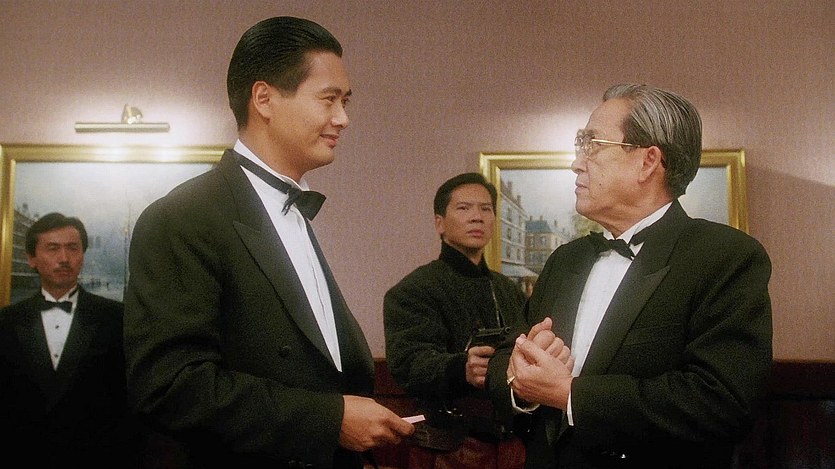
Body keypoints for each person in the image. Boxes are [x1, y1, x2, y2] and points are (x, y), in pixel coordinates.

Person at [122, 16, 413, 468]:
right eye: (329, 99)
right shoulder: (181, 217)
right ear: (264, 99)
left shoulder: (293, 213)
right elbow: (170, 387)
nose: (343, 118)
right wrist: (329, 420)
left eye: (345, 101)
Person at [488, 84, 773, 468]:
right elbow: (505, 359)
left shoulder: (725, 257)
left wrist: (569, 394)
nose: (576, 163)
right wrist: (520, 379)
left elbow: (722, 402)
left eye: (592, 144)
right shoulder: (565, 260)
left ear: (648, 161)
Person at [384, 172, 530, 469]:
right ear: (439, 222)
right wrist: (461, 368)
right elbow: (408, 365)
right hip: (447, 449)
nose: (477, 217)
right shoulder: (413, 290)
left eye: (485, 209)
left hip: (514, 446)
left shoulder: (509, 290)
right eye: (464, 208)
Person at [0, 212, 140, 467]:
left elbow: (129, 401)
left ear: (83, 255)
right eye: (53, 248)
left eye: (72, 248)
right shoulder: (5, 323)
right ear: (31, 258)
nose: (64, 258)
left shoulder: (117, 318)